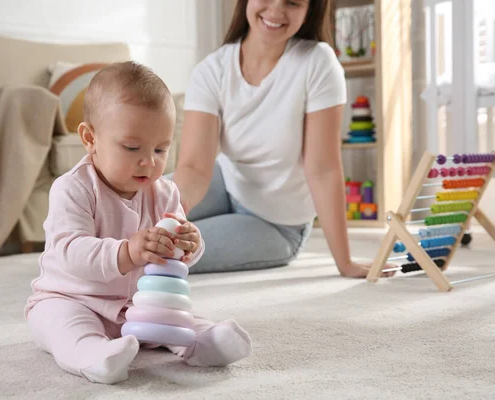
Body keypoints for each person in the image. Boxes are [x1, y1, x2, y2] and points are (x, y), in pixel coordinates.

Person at [24, 62, 252, 385]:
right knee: (66, 326)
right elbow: (69, 252)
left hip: (138, 305)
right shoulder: (73, 188)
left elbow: (175, 259)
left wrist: (190, 244)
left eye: (161, 149)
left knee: (176, 318)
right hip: (71, 299)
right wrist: (128, 252)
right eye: (132, 148)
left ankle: (203, 342)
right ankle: (94, 355)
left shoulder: (164, 192)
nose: (149, 161)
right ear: (91, 138)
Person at [172, 0, 395, 278]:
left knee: (167, 253)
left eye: (292, 2)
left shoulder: (317, 62)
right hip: (225, 183)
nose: (276, 10)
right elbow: (194, 167)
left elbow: (323, 170)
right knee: (134, 204)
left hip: (277, 224)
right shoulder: (212, 69)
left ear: (309, 10)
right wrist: (168, 215)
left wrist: (345, 262)